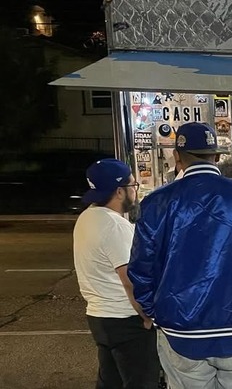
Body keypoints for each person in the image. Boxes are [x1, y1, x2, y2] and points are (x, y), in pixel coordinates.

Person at [129, 122, 232, 389]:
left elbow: (141, 267)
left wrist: (153, 311)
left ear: (177, 157)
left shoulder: (157, 202)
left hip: (181, 329)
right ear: (217, 156)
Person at [72, 159, 159, 389]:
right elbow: (131, 280)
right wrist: (148, 315)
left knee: (110, 382)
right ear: (120, 191)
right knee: (142, 382)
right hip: (126, 321)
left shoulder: (87, 217)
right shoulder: (114, 226)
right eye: (133, 186)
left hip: (100, 318)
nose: (135, 190)